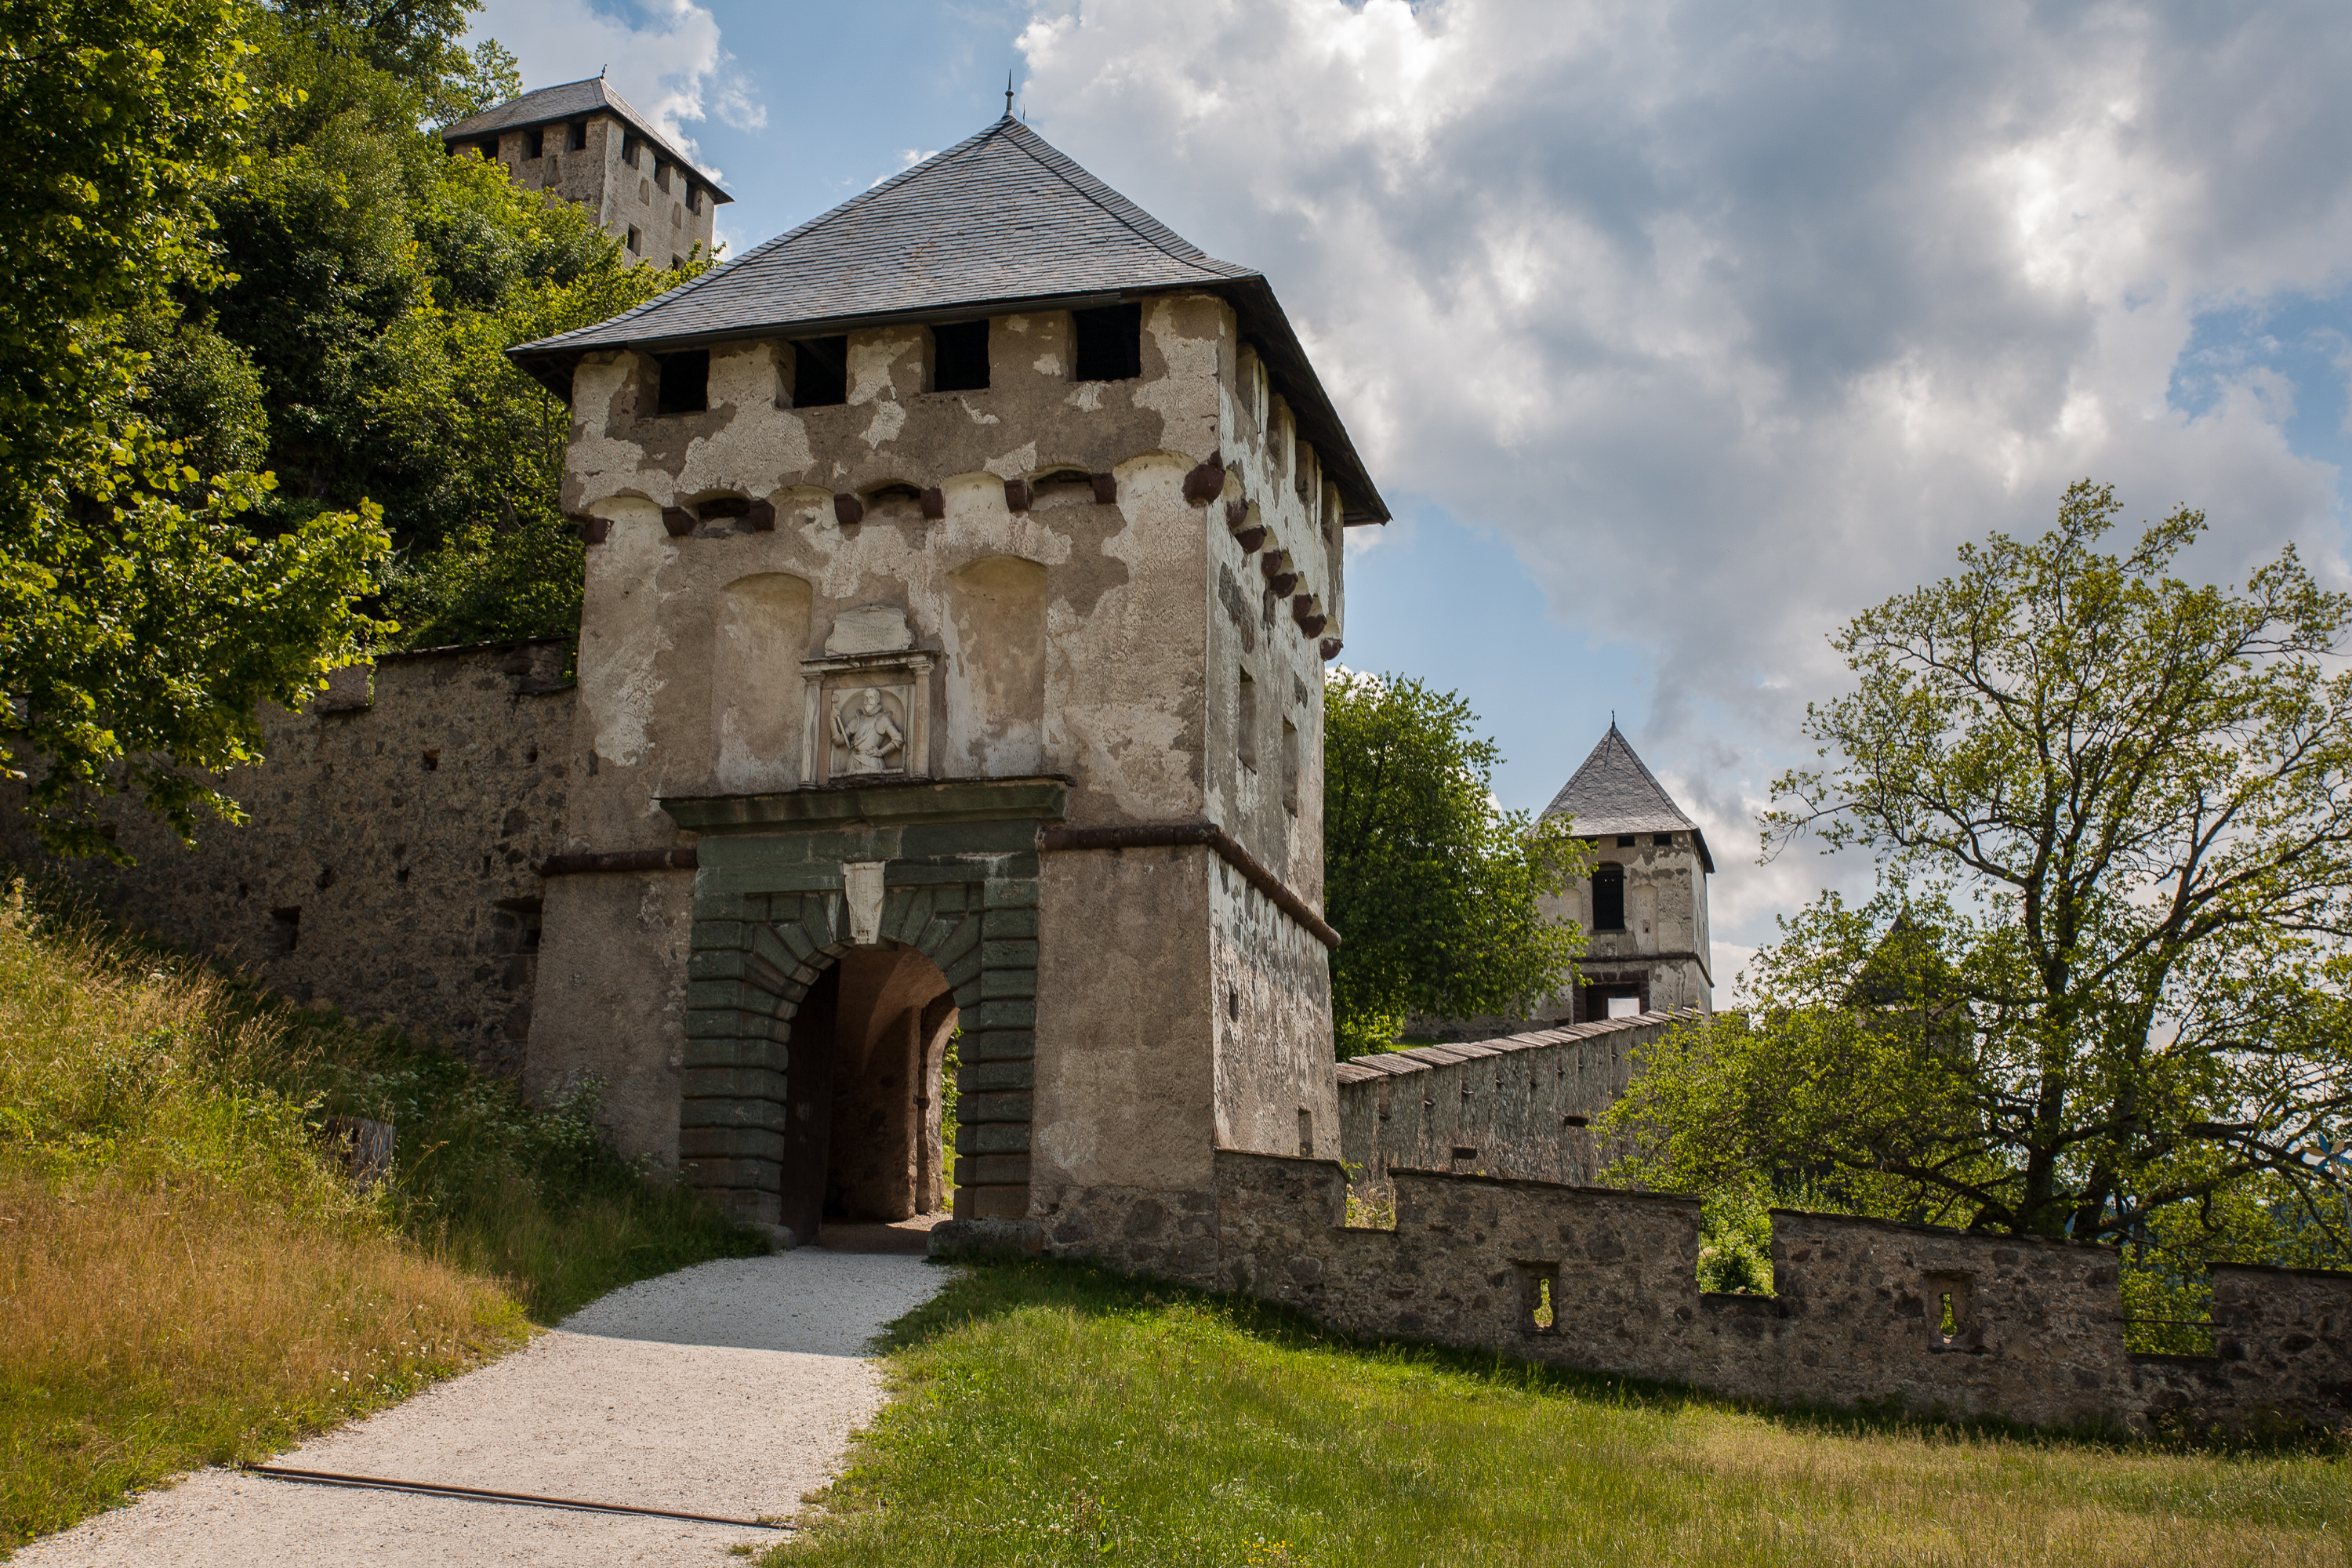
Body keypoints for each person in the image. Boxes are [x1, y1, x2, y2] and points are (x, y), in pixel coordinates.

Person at [833, 686, 905, 773]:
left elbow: (898, 740)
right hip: (853, 762)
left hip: (871, 762)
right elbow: (839, 740)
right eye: (866, 698)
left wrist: (881, 752)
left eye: (871, 698)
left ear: (877, 700)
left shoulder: (883, 719)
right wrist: (832, 720)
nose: (867, 701)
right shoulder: (858, 719)